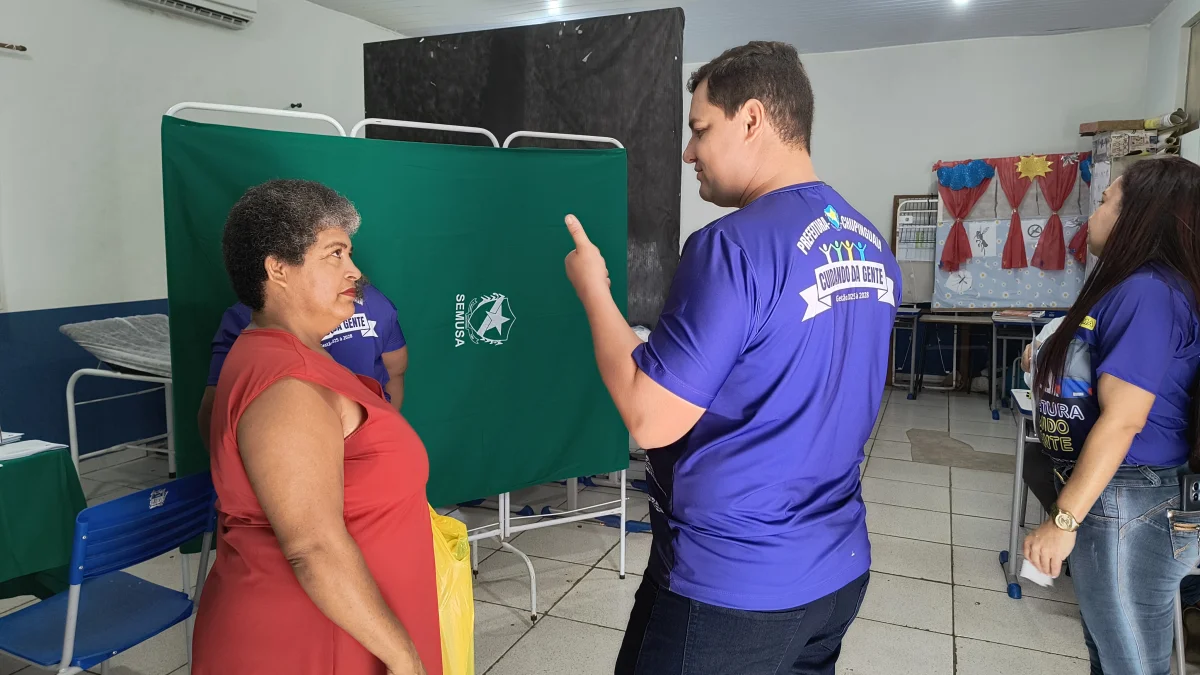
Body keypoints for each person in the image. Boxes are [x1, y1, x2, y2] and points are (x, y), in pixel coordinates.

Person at [562, 41, 900, 675]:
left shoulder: (732, 247)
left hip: (733, 584)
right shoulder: (869, 242)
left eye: (700, 131)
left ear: (751, 119)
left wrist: (594, 292)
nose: (689, 153)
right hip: (836, 568)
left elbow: (650, 416)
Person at [192, 179, 440, 675]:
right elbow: (312, 548)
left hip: (347, 629)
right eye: (335, 254)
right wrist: (405, 659)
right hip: (313, 642)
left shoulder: (296, 356)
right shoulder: (286, 385)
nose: (355, 271)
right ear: (277, 269)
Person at [1024, 156, 1200, 674]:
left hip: (1130, 495)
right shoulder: (1140, 286)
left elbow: (1125, 418)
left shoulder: (1147, 291)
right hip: (1126, 490)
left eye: (1104, 202)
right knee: (1111, 652)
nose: (1092, 215)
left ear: (1138, 216)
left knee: (1128, 661)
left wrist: (1064, 519)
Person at [196, 277, 408, 450]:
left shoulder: (247, 318)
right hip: (304, 453)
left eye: (347, 253)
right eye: (335, 253)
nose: (354, 270)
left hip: (307, 454)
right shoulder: (246, 320)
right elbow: (395, 372)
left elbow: (215, 408)